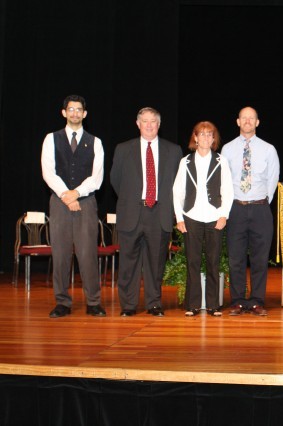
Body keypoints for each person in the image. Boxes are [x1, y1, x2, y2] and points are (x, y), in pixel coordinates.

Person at [110, 107, 182, 317]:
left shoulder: (173, 150)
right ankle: (129, 306)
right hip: (132, 212)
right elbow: (116, 180)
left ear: (159, 125)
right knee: (128, 264)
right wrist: (132, 199)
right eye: (145, 121)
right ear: (138, 124)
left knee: (155, 263)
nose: (149, 125)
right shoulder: (123, 149)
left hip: (159, 214)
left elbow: (178, 184)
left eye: (153, 121)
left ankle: (154, 304)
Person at [41, 95, 105, 318]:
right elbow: (48, 172)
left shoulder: (95, 142)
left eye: (79, 110)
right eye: (71, 109)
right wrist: (66, 196)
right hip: (59, 203)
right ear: (64, 112)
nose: (75, 113)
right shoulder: (51, 139)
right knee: (60, 253)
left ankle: (94, 302)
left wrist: (77, 193)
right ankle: (62, 302)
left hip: (86, 203)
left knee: (87, 253)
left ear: (85, 114)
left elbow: (97, 177)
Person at [220, 106, 280, 316]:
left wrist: (261, 202)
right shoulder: (226, 149)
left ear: (257, 122)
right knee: (235, 258)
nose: (247, 121)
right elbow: (223, 181)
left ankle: (256, 301)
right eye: (244, 118)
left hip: (260, 209)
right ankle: (237, 300)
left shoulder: (269, 149)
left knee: (259, 258)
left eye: (251, 118)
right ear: (238, 122)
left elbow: (272, 181)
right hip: (235, 209)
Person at [173, 121, 233, 317]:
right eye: (202, 134)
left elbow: (227, 190)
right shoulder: (186, 162)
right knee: (193, 261)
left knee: (214, 262)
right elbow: (177, 191)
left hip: (215, 217)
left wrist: (224, 215)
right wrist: (179, 217)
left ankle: (214, 305)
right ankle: (192, 305)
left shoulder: (220, 161)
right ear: (195, 137)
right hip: (191, 217)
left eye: (210, 134)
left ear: (214, 139)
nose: (206, 138)